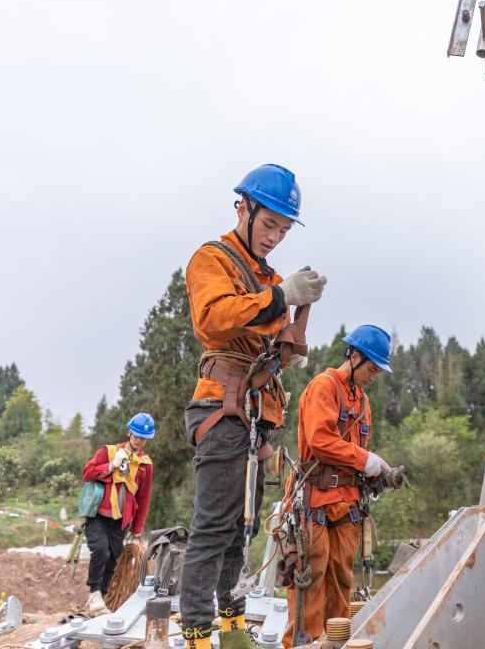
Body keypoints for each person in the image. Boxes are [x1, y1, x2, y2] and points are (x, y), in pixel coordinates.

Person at [180, 164, 327, 648]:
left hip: (252, 417)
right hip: (222, 409)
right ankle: (199, 633)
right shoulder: (213, 259)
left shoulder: (269, 278)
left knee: (240, 530)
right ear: (242, 208)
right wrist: (282, 297)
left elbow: (268, 338)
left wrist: (293, 320)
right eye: (269, 226)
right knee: (213, 529)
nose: (274, 238)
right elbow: (214, 318)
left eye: (283, 231)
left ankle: (232, 625)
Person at [283, 325, 394, 647]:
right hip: (315, 498)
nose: (374, 375)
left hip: (347, 501)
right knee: (309, 578)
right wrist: (367, 460)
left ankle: (336, 642)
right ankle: (304, 644)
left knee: (341, 579)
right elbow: (320, 441)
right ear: (355, 357)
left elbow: (354, 455)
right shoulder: (323, 387)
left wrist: (377, 473)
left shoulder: (362, 402)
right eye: (372, 368)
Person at [81, 412, 155, 614]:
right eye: (137, 436)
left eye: (144, 438)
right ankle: (94, 592)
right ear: (129, 432)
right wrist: (111, 465)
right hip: (98, 516)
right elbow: (87, 472)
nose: (139, 441)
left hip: (121, 521)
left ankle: (100, 599)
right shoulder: (109, 451)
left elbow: (143, 498)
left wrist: (137, 529)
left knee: (114, 558)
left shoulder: (145, 465)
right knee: (101, 551)